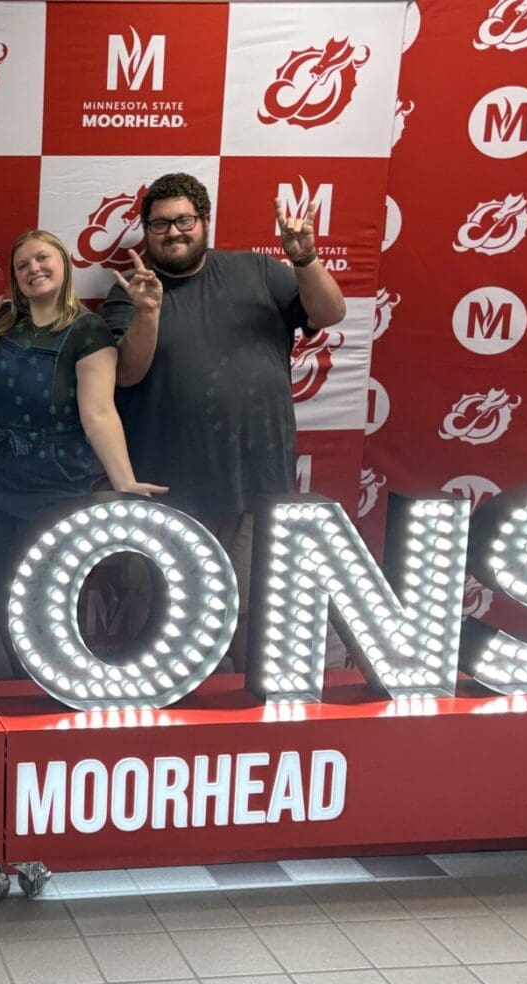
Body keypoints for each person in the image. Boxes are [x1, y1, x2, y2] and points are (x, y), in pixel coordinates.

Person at [104, 172, 348, 669]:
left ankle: (236, 740)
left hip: (254, 487)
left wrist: (304, 258)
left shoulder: (259, 271)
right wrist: (147, 312)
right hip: (167, 498)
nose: (173, 233)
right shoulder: (130, 293)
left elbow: (330, 312)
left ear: (205, 221)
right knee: (164, 639)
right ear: (146, 232)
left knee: (252, 633)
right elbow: (127, 373)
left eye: (184, 221)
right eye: (159, 224)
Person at [0, 231, 166, 671]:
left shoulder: (88, 330)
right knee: (2, 591)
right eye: (22, 265)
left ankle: (57, 690)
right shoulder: (4, 323)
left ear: (64, 263)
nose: (34, 269)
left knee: (48, 600)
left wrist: (123, 480)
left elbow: (99, 413)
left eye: (42, 258)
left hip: (58, 483)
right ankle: (24, 686)